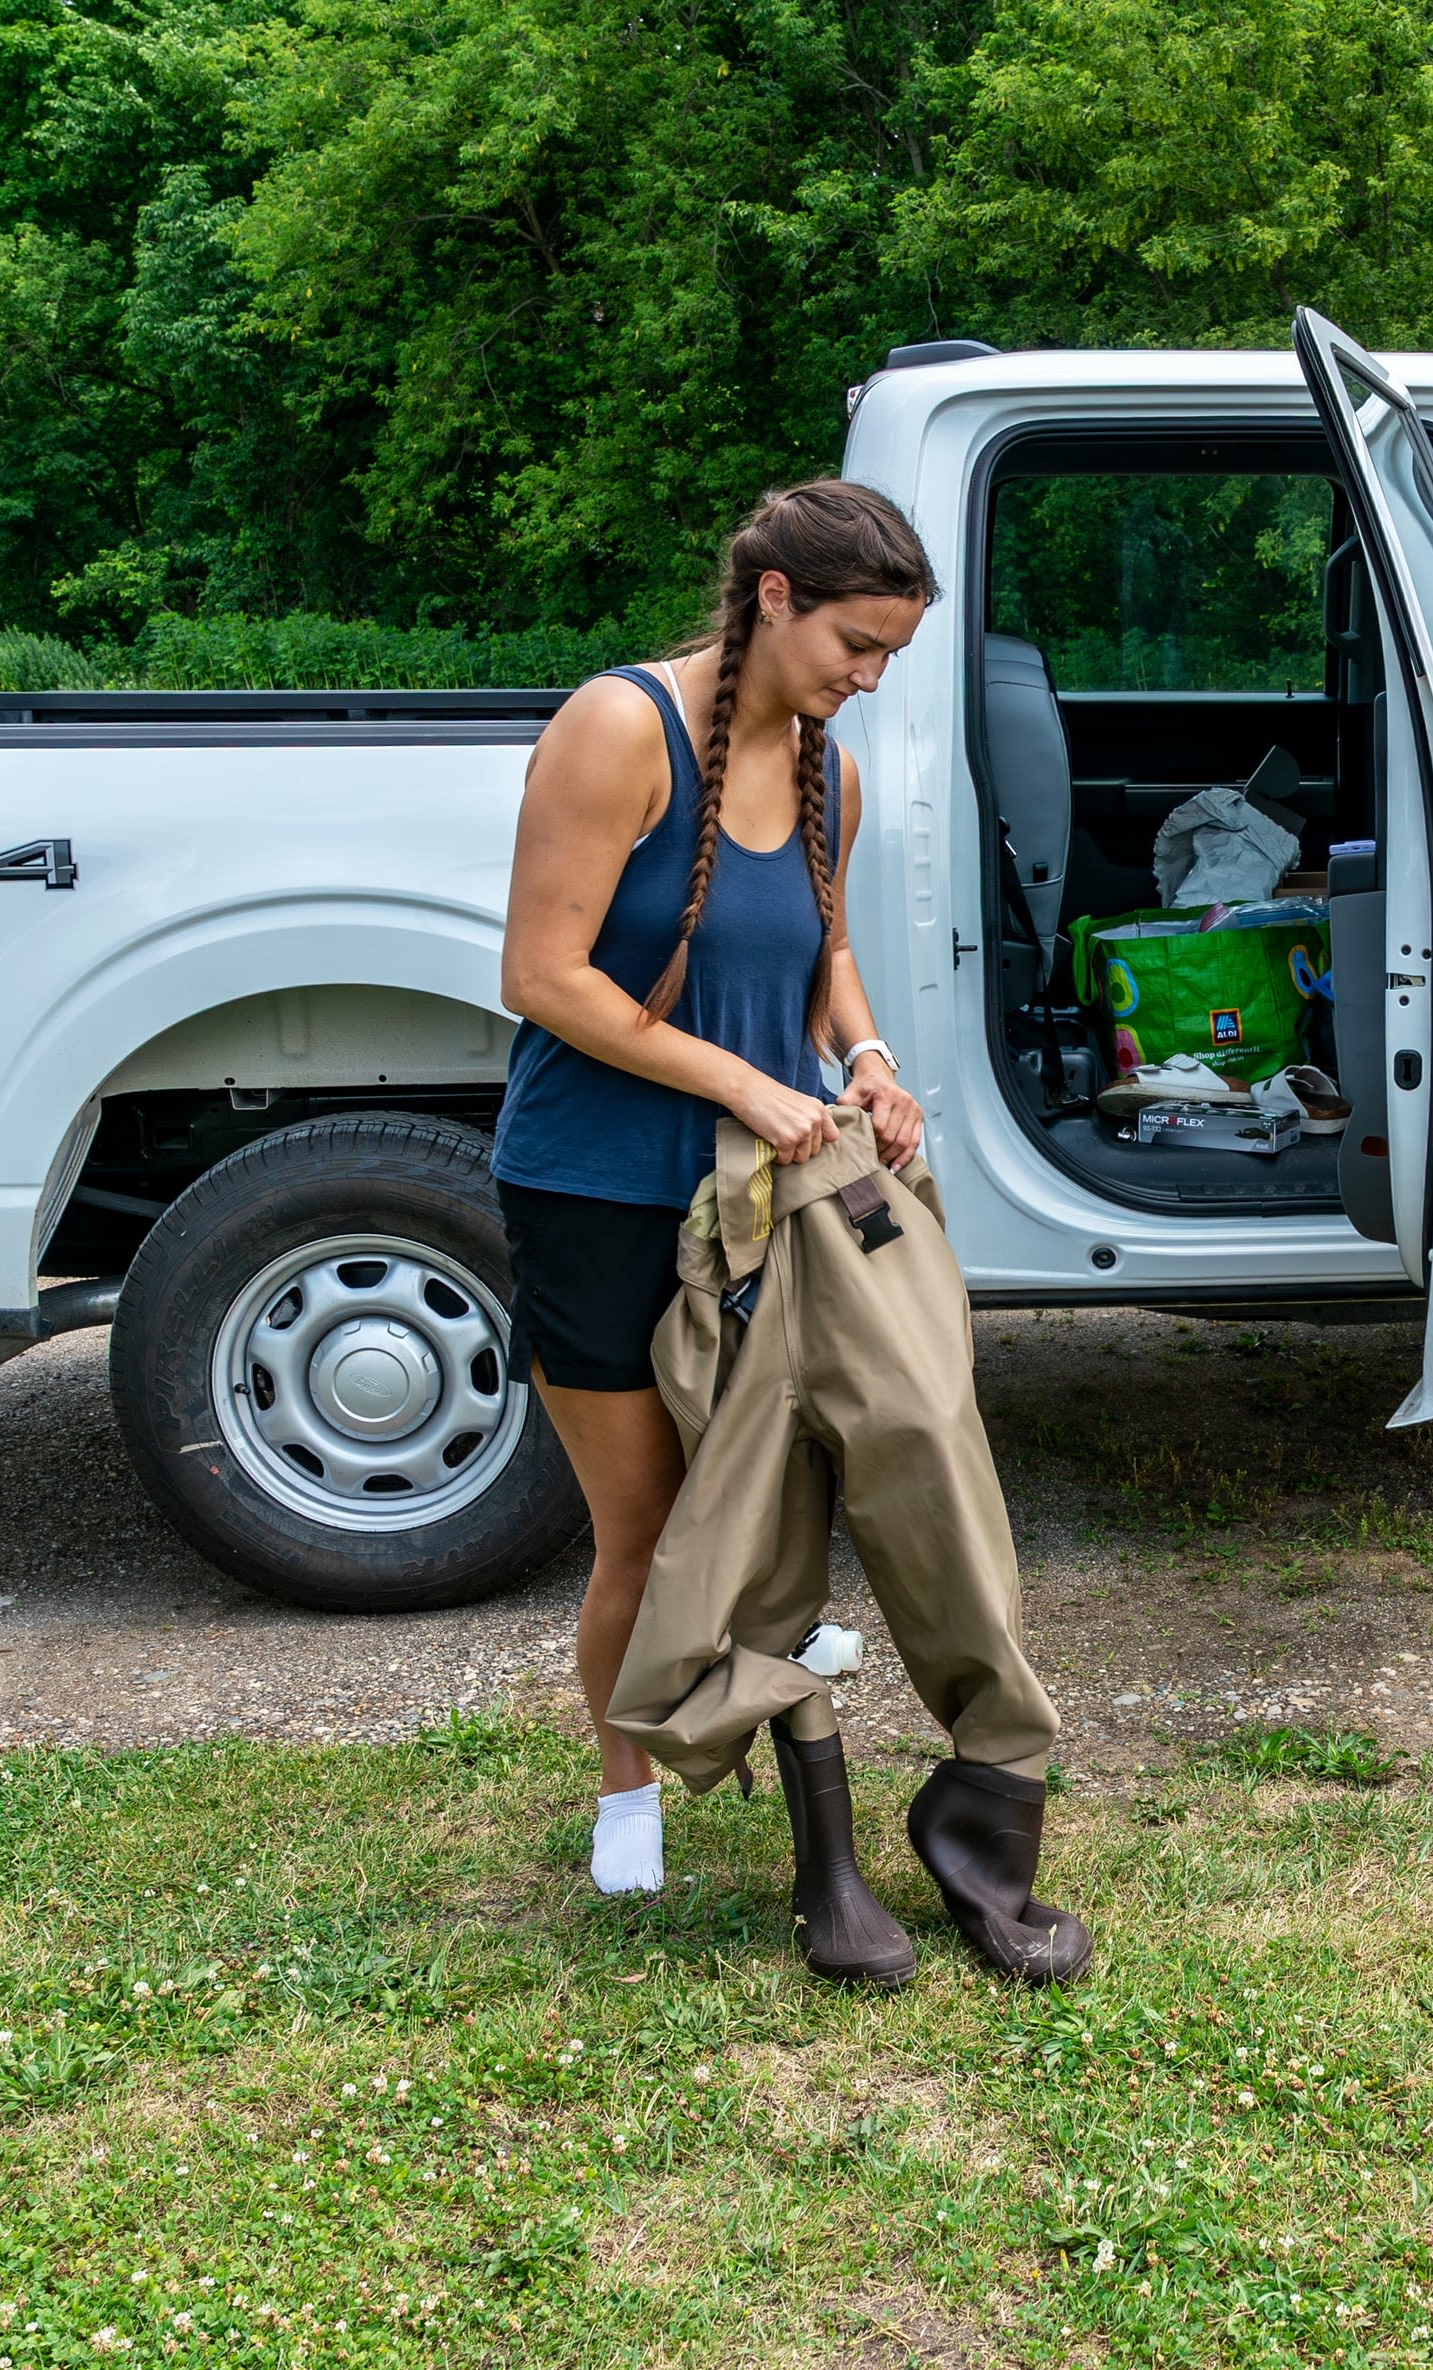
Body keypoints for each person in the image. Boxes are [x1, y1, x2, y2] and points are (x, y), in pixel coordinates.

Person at [493, 482, 936, 1909]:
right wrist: (743, 1080)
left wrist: (861, 1057)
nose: (863, 683)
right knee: (652, 1527)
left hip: (766, 1201)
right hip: (600, 1187)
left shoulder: (829, 773)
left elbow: (827, 953)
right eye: (852, 647)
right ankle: (628, 1800)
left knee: (767, 1514)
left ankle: (809, 1819)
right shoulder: (620, 729)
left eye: (887, 661)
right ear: (772, 599)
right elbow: (543, 978)